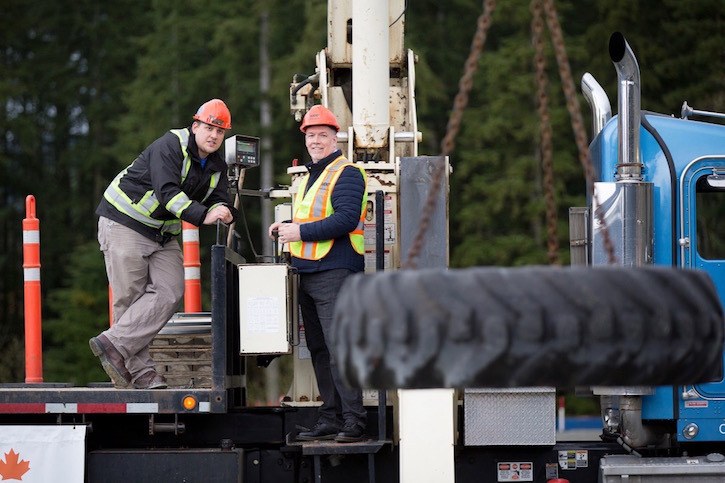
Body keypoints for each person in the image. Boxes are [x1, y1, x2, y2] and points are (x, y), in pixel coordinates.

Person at [90, 99, 237, 390]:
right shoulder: (170, 146)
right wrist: (205, 214)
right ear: (195, 126)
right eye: (208, 128)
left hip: (161, 233)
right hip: (125, 222)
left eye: (220, 132)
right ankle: (141, 373)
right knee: (130, 300)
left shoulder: (217, 165)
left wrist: (226, 208)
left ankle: (113, 343)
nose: (213, 136)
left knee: (171, 290)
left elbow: (221, 196)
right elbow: (168, 192)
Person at [269, 104, 368, 443]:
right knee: (320, 350)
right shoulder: (313, 175)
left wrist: (299, 232)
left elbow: (345, 220)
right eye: (311, 136)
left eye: (322, 135)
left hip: (336, 272)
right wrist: (284, 228)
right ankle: (332, 416)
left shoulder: (348, 172)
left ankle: (355, 421)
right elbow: (311, 220)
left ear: (334, 138)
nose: (315, 141)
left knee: (339, 349)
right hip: (310, 273)